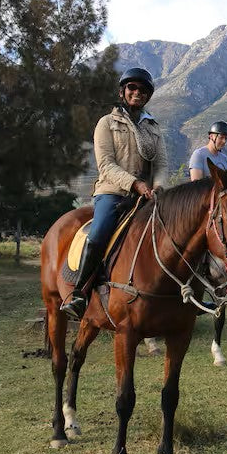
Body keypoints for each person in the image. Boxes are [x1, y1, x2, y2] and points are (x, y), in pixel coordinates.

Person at [62, 67, 168, 320]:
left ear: (148, 95)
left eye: (142, 90)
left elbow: (162, 164)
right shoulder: (106, 123)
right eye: (132, 88)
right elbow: (106, 165)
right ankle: (80, 293)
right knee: (98, 234)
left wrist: (159, 187)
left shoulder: (153, 128)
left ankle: (183, 290)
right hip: (113, 192)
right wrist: (136, 184)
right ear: (123, 91)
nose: (137, 93)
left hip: (147, 196)